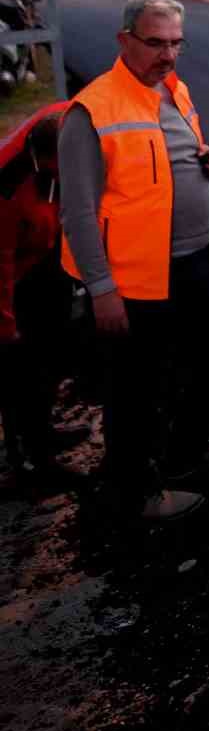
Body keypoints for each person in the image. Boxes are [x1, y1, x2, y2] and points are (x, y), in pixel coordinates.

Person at [59, 0, 209, 522]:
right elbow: (76, 212)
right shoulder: (92, 111)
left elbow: (166, 165)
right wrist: (101, 289)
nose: (168, 55)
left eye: (175, 43)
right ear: (124, 41)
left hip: (195, 259)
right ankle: (137, 493)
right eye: (155, 43)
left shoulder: (174, 92)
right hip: (135, 275)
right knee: (137, 389)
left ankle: (186, 452)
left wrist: (207, 164)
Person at [0, 104, 88, 485]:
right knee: (23, 368)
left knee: (53, 350)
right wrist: (5, 324)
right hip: (14, 274)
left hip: (45, 253)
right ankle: (33, 462)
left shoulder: (77, 122)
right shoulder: (8, 187)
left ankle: (44, 431)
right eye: (55, 167)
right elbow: (0, 265)